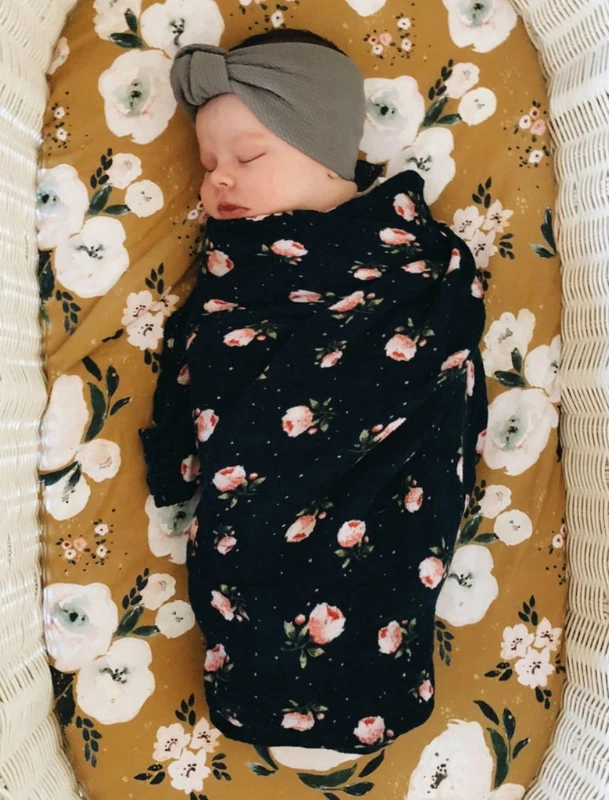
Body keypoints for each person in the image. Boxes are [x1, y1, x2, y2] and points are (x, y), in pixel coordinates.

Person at [139, 28, 488, 755]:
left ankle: (372, 681)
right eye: (208, 165)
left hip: (382, 477)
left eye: (248, 157)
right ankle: (260, 687)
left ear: (327, 155)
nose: (218, 181)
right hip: (255, 490)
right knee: (250, 562)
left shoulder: (410, 262)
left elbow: (444, 338)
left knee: (381, 558)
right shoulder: (237, 266)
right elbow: (205, 349)